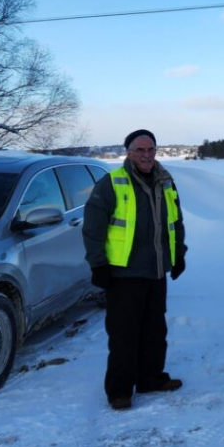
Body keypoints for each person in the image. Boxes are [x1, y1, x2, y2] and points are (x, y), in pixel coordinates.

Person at [83, 129, 187, 411]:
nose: (146, 155)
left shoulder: (166, 182)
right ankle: (119, 391)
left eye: (150, 149)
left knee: (155, 330)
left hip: (156, 271)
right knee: (124, 334)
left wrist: (178, 254)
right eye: (140, 150)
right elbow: (93, 227)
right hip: (124, 274)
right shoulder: (112, 183)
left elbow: (175, 222)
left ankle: (150, 379)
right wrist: (98, 264)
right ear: (128, 153)